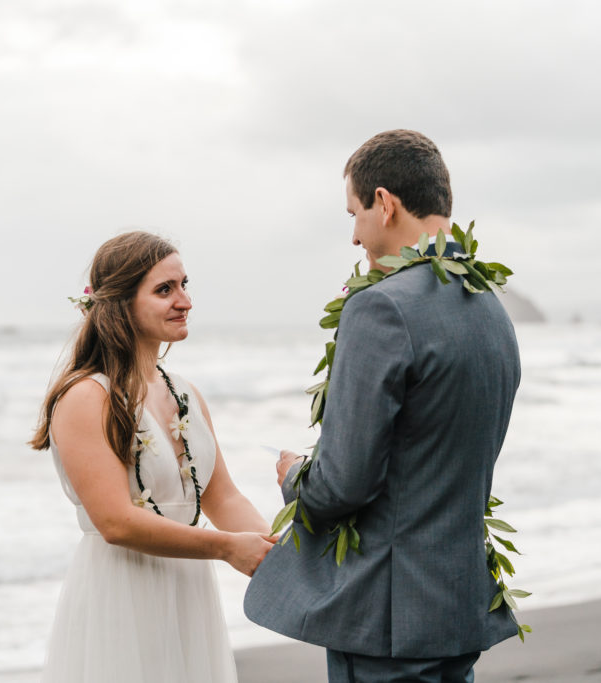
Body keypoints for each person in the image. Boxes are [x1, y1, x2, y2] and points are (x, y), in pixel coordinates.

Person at [244, 130, 521, 683]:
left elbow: (343, 484)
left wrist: (294, 475)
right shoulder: (491, 309)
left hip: (387, 617)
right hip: (457, 603)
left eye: (355, 213)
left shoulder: (380, 309)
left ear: (385, 202)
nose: (354, 236)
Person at [30, 231, 273, 683]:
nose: (185, 301)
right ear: (122, 304)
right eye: (165, 290)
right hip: (122, 593)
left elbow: (223, 497)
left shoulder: (186, 393)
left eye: (184, 285)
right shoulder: (87, 397)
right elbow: (115, 522)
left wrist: (279, 552)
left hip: (189, 592)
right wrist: (225, 548)